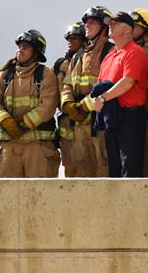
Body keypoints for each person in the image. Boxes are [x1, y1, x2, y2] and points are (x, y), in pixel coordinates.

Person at [0, 29, 60, 178]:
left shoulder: (45, 75)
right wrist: (6, 122)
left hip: (37, 147)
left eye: (25, 47)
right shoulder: (5, 75)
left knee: (40, 194)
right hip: (9, 146)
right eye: (19, 47)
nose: (20, 50)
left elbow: (47, 106)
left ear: (36, 53)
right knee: (5, 194)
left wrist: (22, 125)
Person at [91, 12, 148, 177]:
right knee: (114, 169)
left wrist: (102, 99)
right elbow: (100, 85)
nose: (110, 25)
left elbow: (127, 82)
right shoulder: (109, 57)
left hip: (130, 118)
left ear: (127, 30)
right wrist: (99, 100)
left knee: (130, 168)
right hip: (113, 118)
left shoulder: (135, 52)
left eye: (115, 23)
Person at [60, 6, 114, 177]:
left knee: (103, 168)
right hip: (79, 123)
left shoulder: (111, 51)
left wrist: (83, 107)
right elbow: (67, 83)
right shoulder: (78, 55)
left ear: (104, 27)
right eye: (86, 23)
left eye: (92, 22)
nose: (87, 26)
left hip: (100, 121)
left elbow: (108, 86)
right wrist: (68, 104)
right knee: (82, 168)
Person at [129, 7, 148, 177]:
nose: (131, 29)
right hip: (137, 112)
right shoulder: (129, 48)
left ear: (146, 28)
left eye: (136, 25)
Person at [53, 22, 86, 178]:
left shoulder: (88, 61)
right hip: (66, 123)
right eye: (69, 38)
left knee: (88, 167)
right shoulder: (60, 64)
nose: (70, 41)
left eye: (75, 38)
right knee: (70, 169)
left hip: (85, 119)